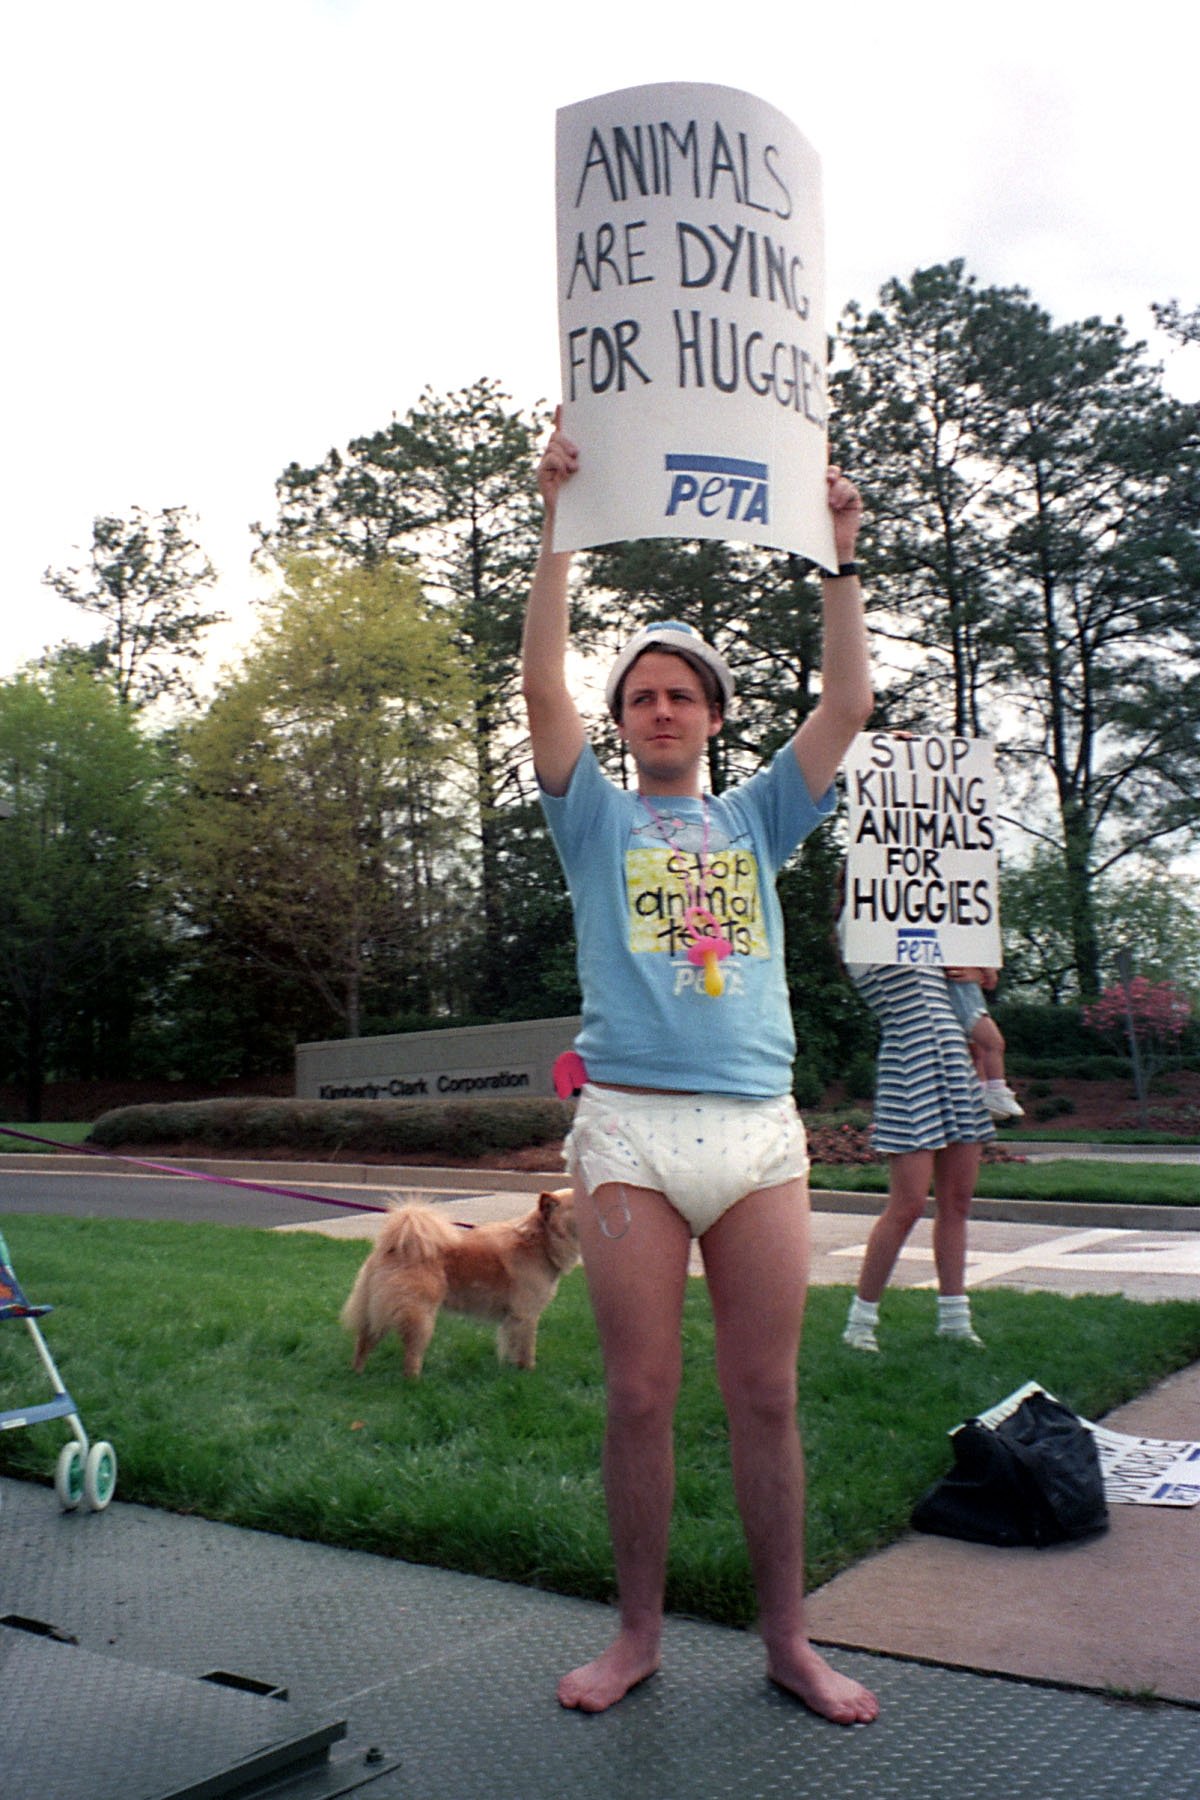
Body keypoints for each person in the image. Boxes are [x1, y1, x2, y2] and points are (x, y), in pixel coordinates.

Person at [522, 410, 878, 1726]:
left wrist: (838, 558)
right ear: (621, 724)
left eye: (681, 693)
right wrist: (557, 519)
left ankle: (788, 1641)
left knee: (768, 1393)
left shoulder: (758, 814)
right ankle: (636, 1636)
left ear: (715, 717)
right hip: (628, 1135)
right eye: (640, 695)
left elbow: (846, 703)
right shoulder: (592, 817)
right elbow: (541, 690)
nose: (657, 708)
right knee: (639, 1394)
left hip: (755, 1138)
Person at [840, 957, 995, 1354]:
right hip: (910, 1064)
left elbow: (978, 977)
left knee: (957, 1202)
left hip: (955, 1064)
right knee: (907, 1205)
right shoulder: (864, 933)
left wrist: (976, 972)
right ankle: (860, 1323)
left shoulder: (932, 933)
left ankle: (955, 1321)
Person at [944, 966, 1024, 1119]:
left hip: (969, 999)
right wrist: (986, 969)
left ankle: (982, 1093)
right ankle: (996, 1090)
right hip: (966, 1002)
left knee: (979, 1051)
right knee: (993, 1043)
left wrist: (985, 970)